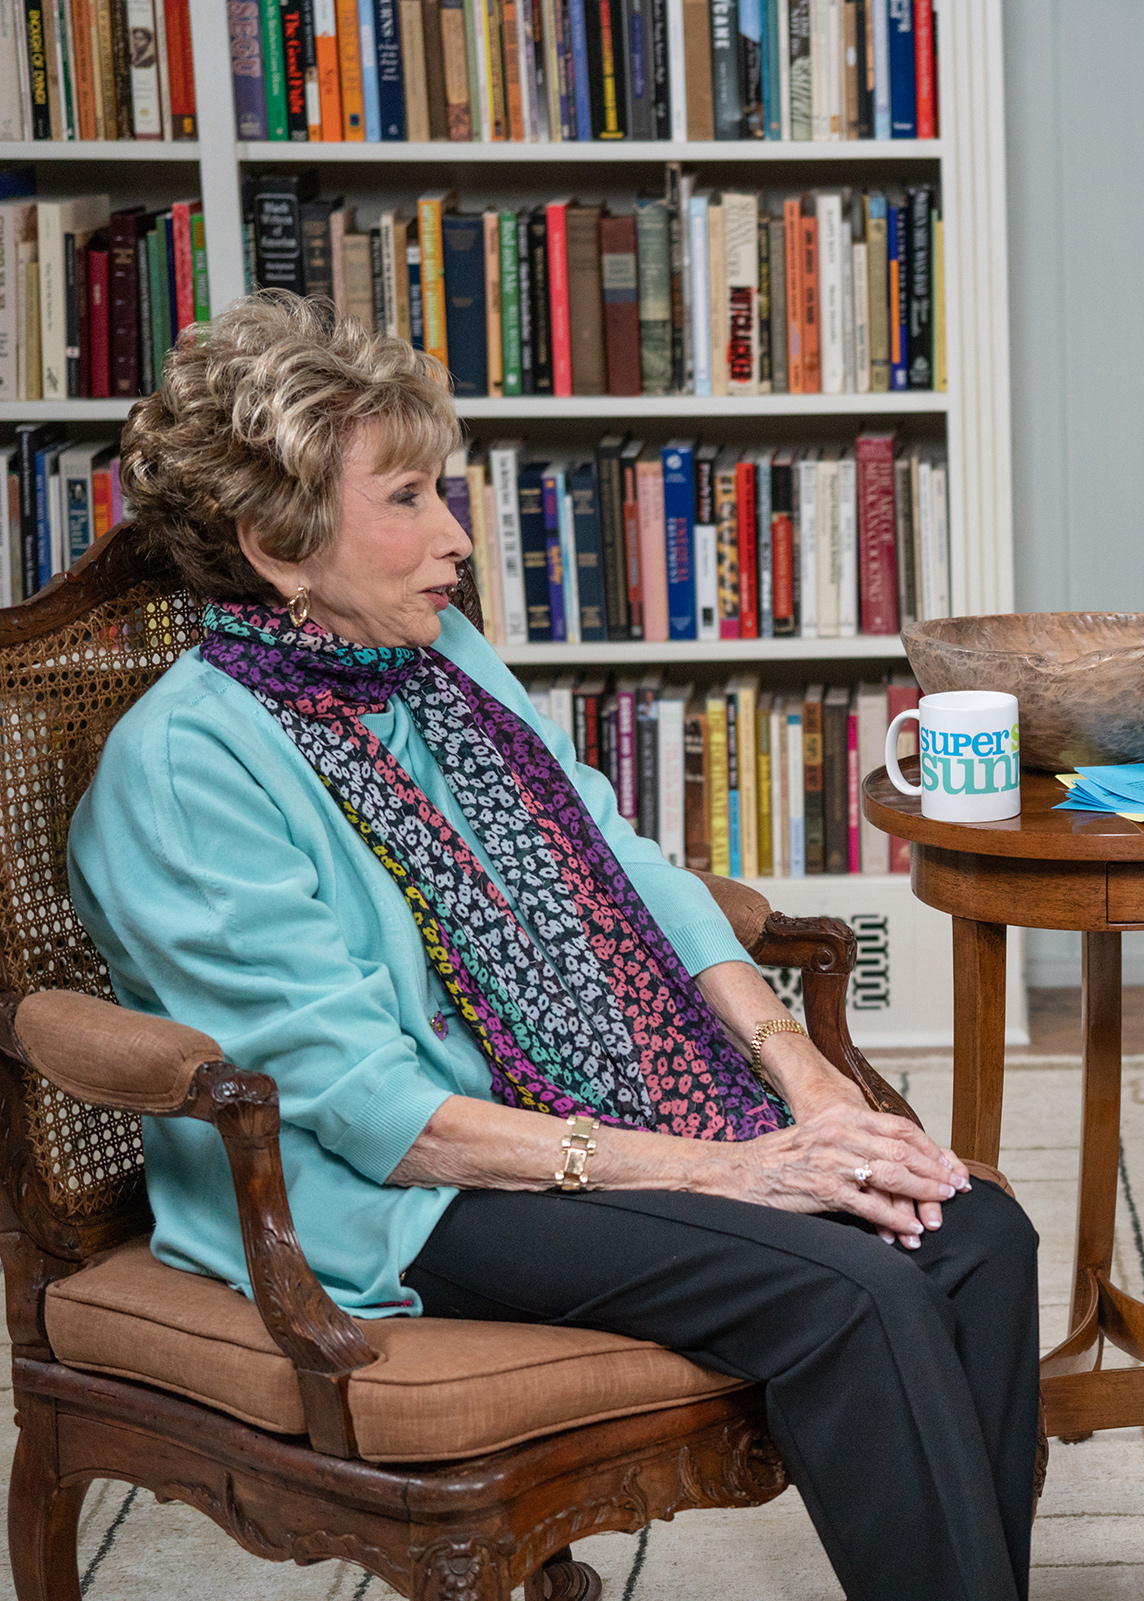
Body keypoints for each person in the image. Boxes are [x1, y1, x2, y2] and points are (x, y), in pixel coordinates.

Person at [68, 291, 1040, 1601]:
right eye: (406, 499)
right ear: (274, 543)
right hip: (394, 1196)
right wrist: (731, 1168)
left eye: (443, 492)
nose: (455, 538)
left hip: (554, 1110)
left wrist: (809, 1078)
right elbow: (378, 1114)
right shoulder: (189, 765)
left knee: (976, 1228)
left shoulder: (438, 659)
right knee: (855, 1281)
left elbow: (625, 863)